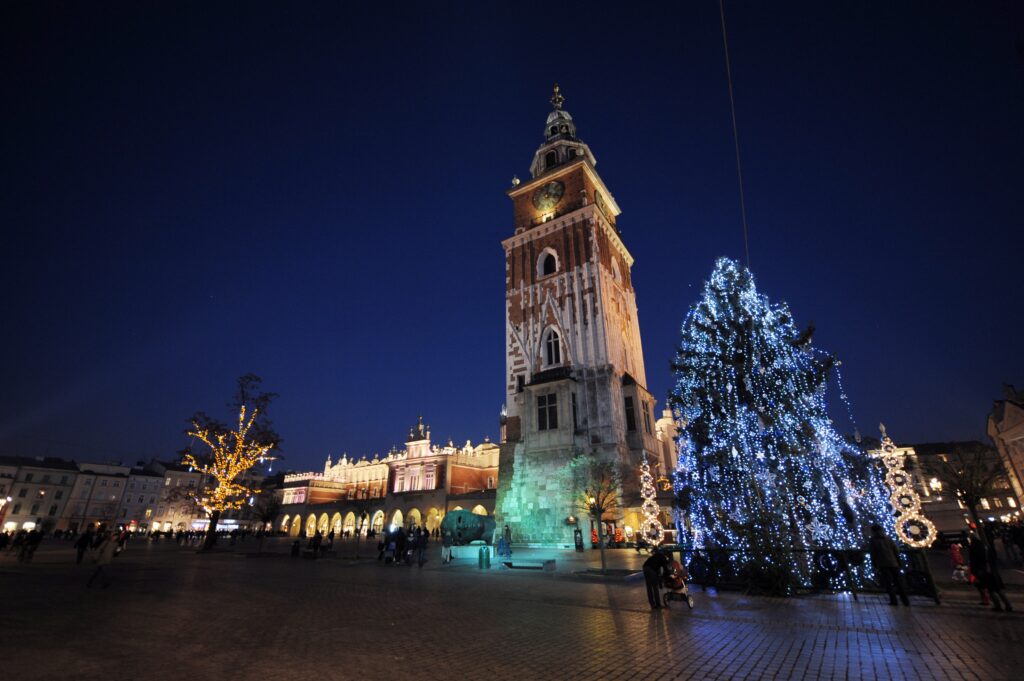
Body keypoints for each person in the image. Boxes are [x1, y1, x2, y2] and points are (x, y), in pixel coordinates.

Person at [968, 532, 1013, 612]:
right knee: (998, 589)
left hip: (984, 571)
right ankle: (1008, 605)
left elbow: (974, 560)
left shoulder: (973, 547)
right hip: (992, 570)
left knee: (991, 590)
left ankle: (998, 606)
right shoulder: (985, 545)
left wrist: (975, 572)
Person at [867, 524, 909, 606]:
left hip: (883, 563)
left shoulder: (873, 540)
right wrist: (898, 561)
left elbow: (873, 553)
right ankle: (905, 601)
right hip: (893, 563)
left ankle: (893, 600)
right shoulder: (888, 538)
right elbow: (896, 550)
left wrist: (874, 563)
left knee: (888, 583)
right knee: (898, 582)